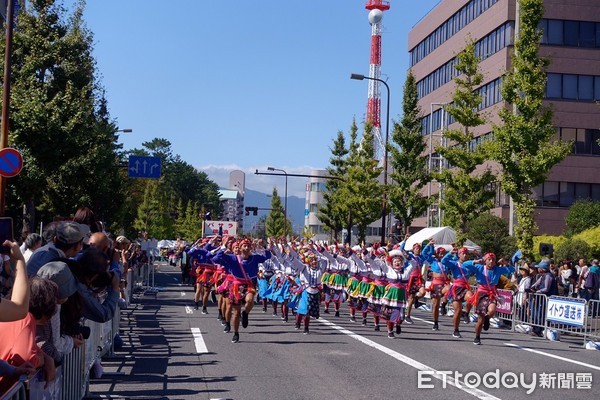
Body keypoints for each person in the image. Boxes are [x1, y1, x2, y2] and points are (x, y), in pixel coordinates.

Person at [0, 277, 58, 391]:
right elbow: (26, 359)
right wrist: (41, 360)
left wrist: (46, 357)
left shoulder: (8, 313)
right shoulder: (25, 318)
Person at [212, 238, 271, 343]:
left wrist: (264, 246)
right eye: (244, 246)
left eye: (248, 246)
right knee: (236, 311)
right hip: (236, 285)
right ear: (240, 248)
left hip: (248, 283)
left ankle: (246, 313)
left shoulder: (255, 258)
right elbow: (216, 259)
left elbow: (267, 256)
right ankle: (235, 332)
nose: (247, 248)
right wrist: (224, 246)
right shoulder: (233, 258)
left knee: (250, 300)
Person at [463, 253, 515, 345]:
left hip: (492, 293)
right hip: (481, 293)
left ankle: (487, 318)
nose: (491, 261)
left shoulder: (497, 269)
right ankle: (477, 336)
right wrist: (475, 261)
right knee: (480, 318)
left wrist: (505, 263)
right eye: (489, 259)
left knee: (492, 310)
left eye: (493, 260)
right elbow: (465, 264)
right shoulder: (479, 268)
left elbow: (512, 269)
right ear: (485, 260)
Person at [441, 246, 475, 338]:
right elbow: (443, 261)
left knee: (471, 297)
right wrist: (450, 253)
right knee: (458, 310)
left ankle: (466, 314)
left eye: (466, 254)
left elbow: (479, 269)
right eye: (463, 253)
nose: (465, 255)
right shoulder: (454, 264)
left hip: (465, 287)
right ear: (459, 255)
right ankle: (456, 329)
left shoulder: (469, 265)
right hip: (456, 288)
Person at [528, 259, 557, 337]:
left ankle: (540, 330)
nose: (538, 269)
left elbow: (546, 288)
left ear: (542, 268)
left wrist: (537, 292)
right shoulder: (542, 275)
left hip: (547, 298)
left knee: (543, 314)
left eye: (539, 267)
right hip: (541, 298)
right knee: (539, 313)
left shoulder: (548, 276)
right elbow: (536, 283)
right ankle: (537, 329)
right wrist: (531, 288)